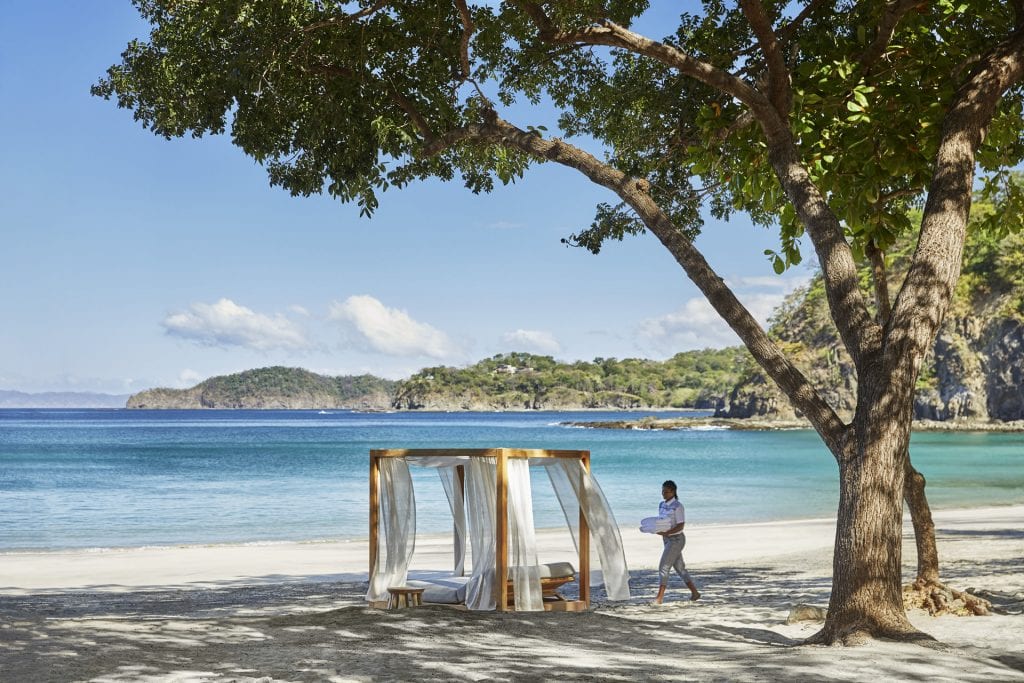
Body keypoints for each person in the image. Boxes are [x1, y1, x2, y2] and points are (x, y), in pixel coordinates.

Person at [653, 479, 700, 604]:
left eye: (667, 492)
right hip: (666, 539)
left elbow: (680, 526)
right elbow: (661, 521)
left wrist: (667, 533)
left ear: (673, 492)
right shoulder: (661, 505)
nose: (664, 494)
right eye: (662, 491)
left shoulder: (678, 506)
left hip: (677, 540)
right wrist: (654, 528)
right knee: (680, 568)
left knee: (663, 567)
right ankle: (695, 593)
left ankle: (659, 598)